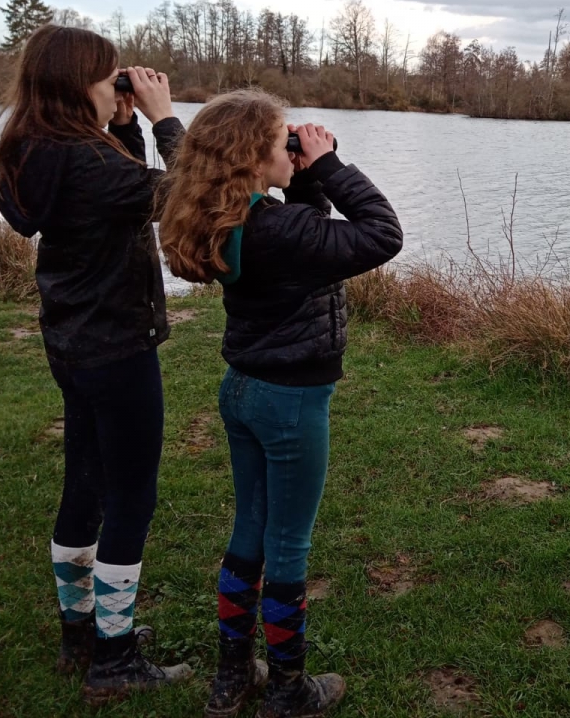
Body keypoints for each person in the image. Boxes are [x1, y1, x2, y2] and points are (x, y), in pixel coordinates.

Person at [159, 90, 402, 718]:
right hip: (292, 402)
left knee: (250, 530)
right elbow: (382, 234)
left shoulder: (234, 217)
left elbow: (308, 239)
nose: (289, 148)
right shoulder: (280, 228)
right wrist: (327, 166)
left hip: (242, 391)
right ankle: (290, 691)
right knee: (288, 545)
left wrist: (300, 179)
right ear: (251, 156)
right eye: (279, 142)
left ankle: (231, 680)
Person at [0, 25, 192, 702]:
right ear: (80, 84)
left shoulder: (28, 149)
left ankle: (77, 634)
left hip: (70, 341)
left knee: (84, 483)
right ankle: (115, 656)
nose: (120, 87)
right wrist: (167, 122)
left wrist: (127, 128)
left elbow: (125, 192)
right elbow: (190, 196)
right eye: (110, 79)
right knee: (131, 496)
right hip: (117, 346)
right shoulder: (89, 164)